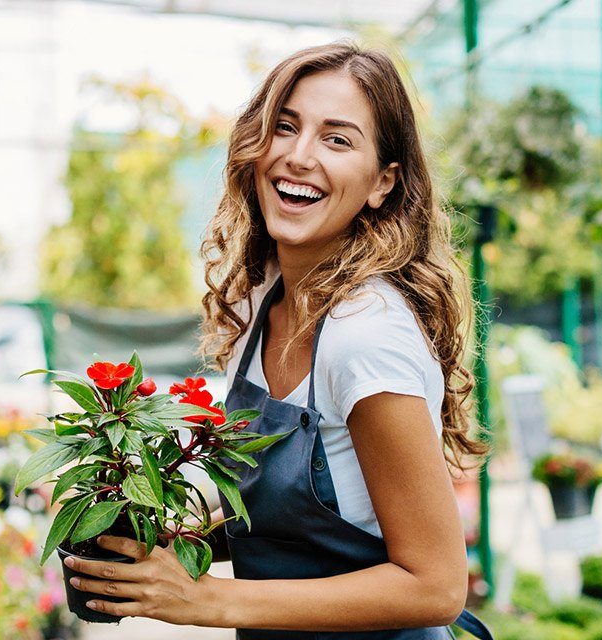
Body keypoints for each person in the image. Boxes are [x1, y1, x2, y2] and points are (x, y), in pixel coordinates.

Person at [63, 41, 494, 639]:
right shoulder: (261, 300)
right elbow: (308, 514)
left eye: (337, 139)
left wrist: (210, 600)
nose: (297, 155)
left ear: (383, 182)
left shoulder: (365, 335)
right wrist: (181, 539)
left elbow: (436, 585)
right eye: (284, 128)